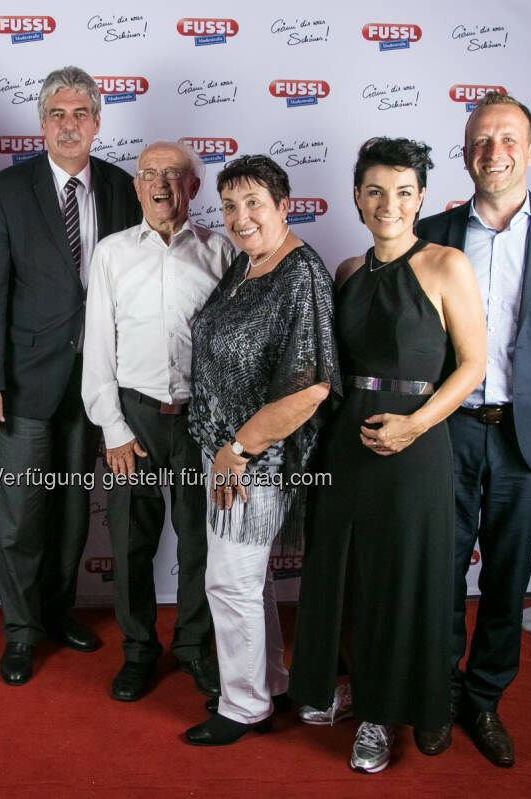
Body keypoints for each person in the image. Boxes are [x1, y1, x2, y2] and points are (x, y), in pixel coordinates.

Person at [415, 93, 531, 767]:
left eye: (507, 140)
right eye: (480, 142)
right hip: (448, 433)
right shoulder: (431, 231)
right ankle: (437, 693)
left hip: (529, 439)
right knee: (440, 572)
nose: (493, 152)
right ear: (465, 155)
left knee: (507, 577)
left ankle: (485, 698)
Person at [290, 137, 487, 774]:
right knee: (344, 573)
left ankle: (383, 714)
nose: (389, 204)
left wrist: (414, 426)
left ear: (422, 197)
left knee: (400, 581)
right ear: (356, 196)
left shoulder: (446, 264)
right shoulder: (346, 271)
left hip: (415, 444)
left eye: (403, 192)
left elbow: (473, 365)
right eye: (375, 190)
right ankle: (344, 685)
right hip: (346, 442)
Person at [0, 66, 141, 685]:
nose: (69, 125)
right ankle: (19, 631)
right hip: (21, 383)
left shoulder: (122, 187)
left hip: (96, 385)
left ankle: (58, 612)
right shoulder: (5, 191)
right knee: (18, 515)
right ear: (42, 125)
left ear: (97, 121)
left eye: (80, 114)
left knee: (71, 509)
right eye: (57, 115)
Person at [184, 155, 340, 746]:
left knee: (230, 582)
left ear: (283, 205)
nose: (240, 217)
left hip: (256, 462)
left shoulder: (300, 273)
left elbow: (313, 387)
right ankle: (267, 681)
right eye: (229, 206)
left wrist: (239, 450)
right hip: (224, 452)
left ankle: (243, 707)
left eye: (253, 203)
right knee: (249, 581)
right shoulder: (249, 265)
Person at [82, 142, 233, 702]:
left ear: (193, 187)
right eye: (149, 174)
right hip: (135, 418)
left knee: (201, 542)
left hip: (202, 422)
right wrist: (113, 429)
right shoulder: (111, 254)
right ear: (137, 185)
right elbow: (97, 349)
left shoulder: (222, 253)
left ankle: (193, 647)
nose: (160, 183)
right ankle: (140, 650)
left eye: (174, 174)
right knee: (130, 544)